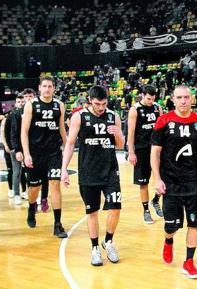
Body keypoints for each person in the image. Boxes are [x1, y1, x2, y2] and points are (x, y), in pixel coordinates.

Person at [151, 85, 197, 279]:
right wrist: (157, 179)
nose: (183, 101)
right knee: (172, 227)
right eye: (179, 97)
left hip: (193, 183)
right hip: (170, 184)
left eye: (186, 97)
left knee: (195, 223)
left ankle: (189, 261)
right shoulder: (163, 121)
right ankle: (168, 241)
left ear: (192, 99)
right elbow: (155, 153)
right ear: (173, 99)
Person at [62, 86, 125, 266]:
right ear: (90, 100)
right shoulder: (79, 117)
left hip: (110, 170)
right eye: (97, 104)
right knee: (92, 212)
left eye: (104, 104)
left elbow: (120, 145)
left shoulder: (114, 116)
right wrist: (64, 169)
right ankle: (95, 248)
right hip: (88, 171)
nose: (100, 108)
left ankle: (109, 241)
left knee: (115, 207)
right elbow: (70, 144)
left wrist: (118, 134)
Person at [20, 76, 68, 237]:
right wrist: (26, 154)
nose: (47, 89)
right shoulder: (30, 105)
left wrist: (67, 149)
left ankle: (57, 224)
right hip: (35, 153)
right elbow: (24, 132)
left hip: (54, 152)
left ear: (54, 88)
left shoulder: (59, 105)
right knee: (34, 187)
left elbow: (62, 129)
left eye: (50, 86)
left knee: (55, 185)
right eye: (44, 86)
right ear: (39, 88)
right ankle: (31, 207)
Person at [127, 85, 163, 224]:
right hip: (142, 149)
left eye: (153, 98)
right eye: (148, 98)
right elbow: (130, 132)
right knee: (144, 183)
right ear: (142, 95)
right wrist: (131, 152)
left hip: (157, 148)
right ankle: (146, 210)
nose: (151, 101)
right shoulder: (135, 110)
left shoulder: (157, 107)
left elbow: (161, 128)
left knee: (162, 177)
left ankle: (156, 200)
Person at [1, 93, 27, 205]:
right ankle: (16, 194)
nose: (21, 103)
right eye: (19, 101)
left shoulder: (29, 113)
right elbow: (7, 132)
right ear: (15, 103)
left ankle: (26, 191)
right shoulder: (11, 115)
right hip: (16, 148)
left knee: (29, 172)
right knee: (16, 172)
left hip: (28, 147)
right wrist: (11, 147)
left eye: (22, 101)